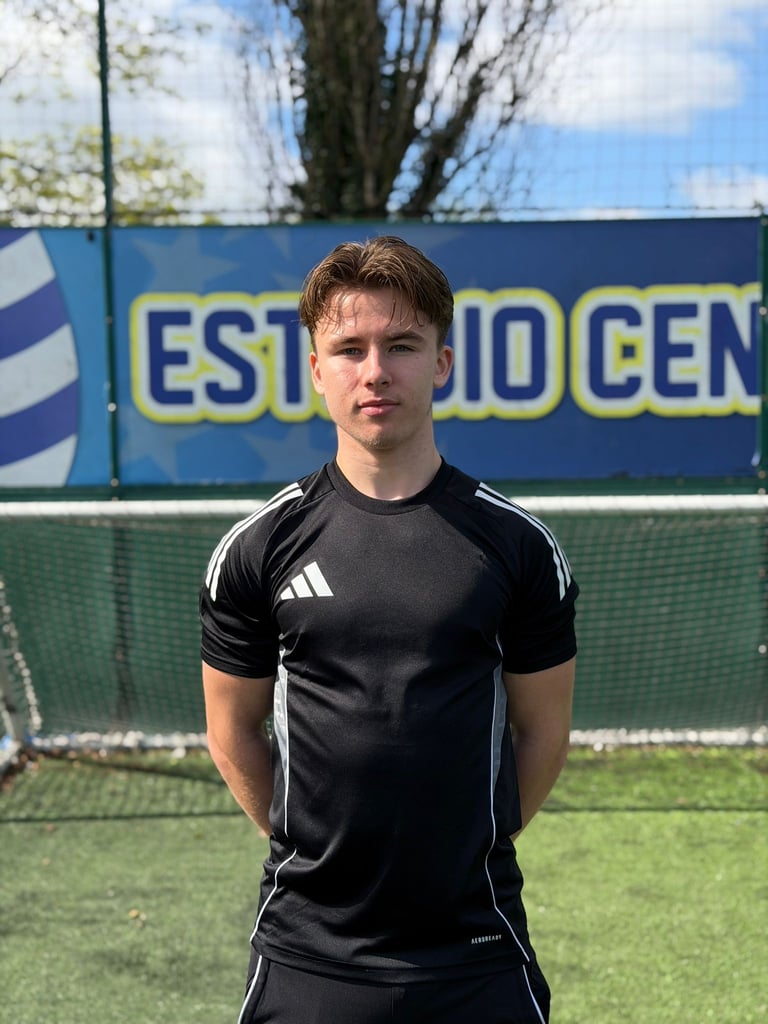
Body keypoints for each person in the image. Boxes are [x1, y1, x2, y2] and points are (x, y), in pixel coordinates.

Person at [200, 236, 578, 1024]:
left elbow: (542, 736)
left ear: (442, 361)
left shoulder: (516, 547)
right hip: (308, 953)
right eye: (349, 348)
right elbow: (233, 730)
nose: (375, 371)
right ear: (316, 369)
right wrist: (312, 844)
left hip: (476, 946)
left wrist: (470, 843)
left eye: (401, 345)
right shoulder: (259, 548)